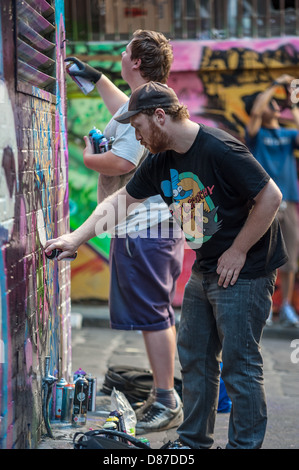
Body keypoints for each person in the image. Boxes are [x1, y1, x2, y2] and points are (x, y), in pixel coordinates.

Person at [46, 82, 287, 449]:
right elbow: (120, 202)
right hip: (207, 267)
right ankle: (193, 443)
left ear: (160, 116)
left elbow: (271, 196)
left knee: (240, 368)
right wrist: (76, 238)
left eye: (138, 126)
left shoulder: (219, 148)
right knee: (195, 360)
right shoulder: (161, 160)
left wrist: (238, 251)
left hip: (246, 270)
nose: (136, 135)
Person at [65, 31, 185, 434]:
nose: (119, 55)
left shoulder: (147, 106)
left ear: (135, 62)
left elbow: (121, 162)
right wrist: (97, 79)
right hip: (154, 228)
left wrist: (87, 156)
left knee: (154, 316)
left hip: (148, 229)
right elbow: (121, 108)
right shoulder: (150, 98)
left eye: (124, 52)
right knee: (158, 313)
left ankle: (167, 400)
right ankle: (165, 394)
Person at [245, 74, 299, 327]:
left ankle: (286, 308)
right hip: (263, 205)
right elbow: (256, 111)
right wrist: (275, 85)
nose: (273, 105)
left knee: (290, 258)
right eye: (270, 102)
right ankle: (260, 306)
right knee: (261, 257)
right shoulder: (255, 133)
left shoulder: (289, 136)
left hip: (288, 203)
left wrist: (293, 103)